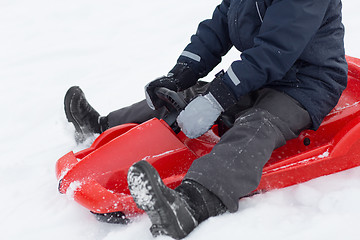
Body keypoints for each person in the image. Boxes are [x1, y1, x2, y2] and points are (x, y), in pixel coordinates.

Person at [64, 0, 347, 239]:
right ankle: (103, 126)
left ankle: (192, 203)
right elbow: (218, 27)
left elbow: (274, 51)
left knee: (258, 125)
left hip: (308, 84)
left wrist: (218, 99)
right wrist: (179, 76)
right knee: (190, 95)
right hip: (264, 75)